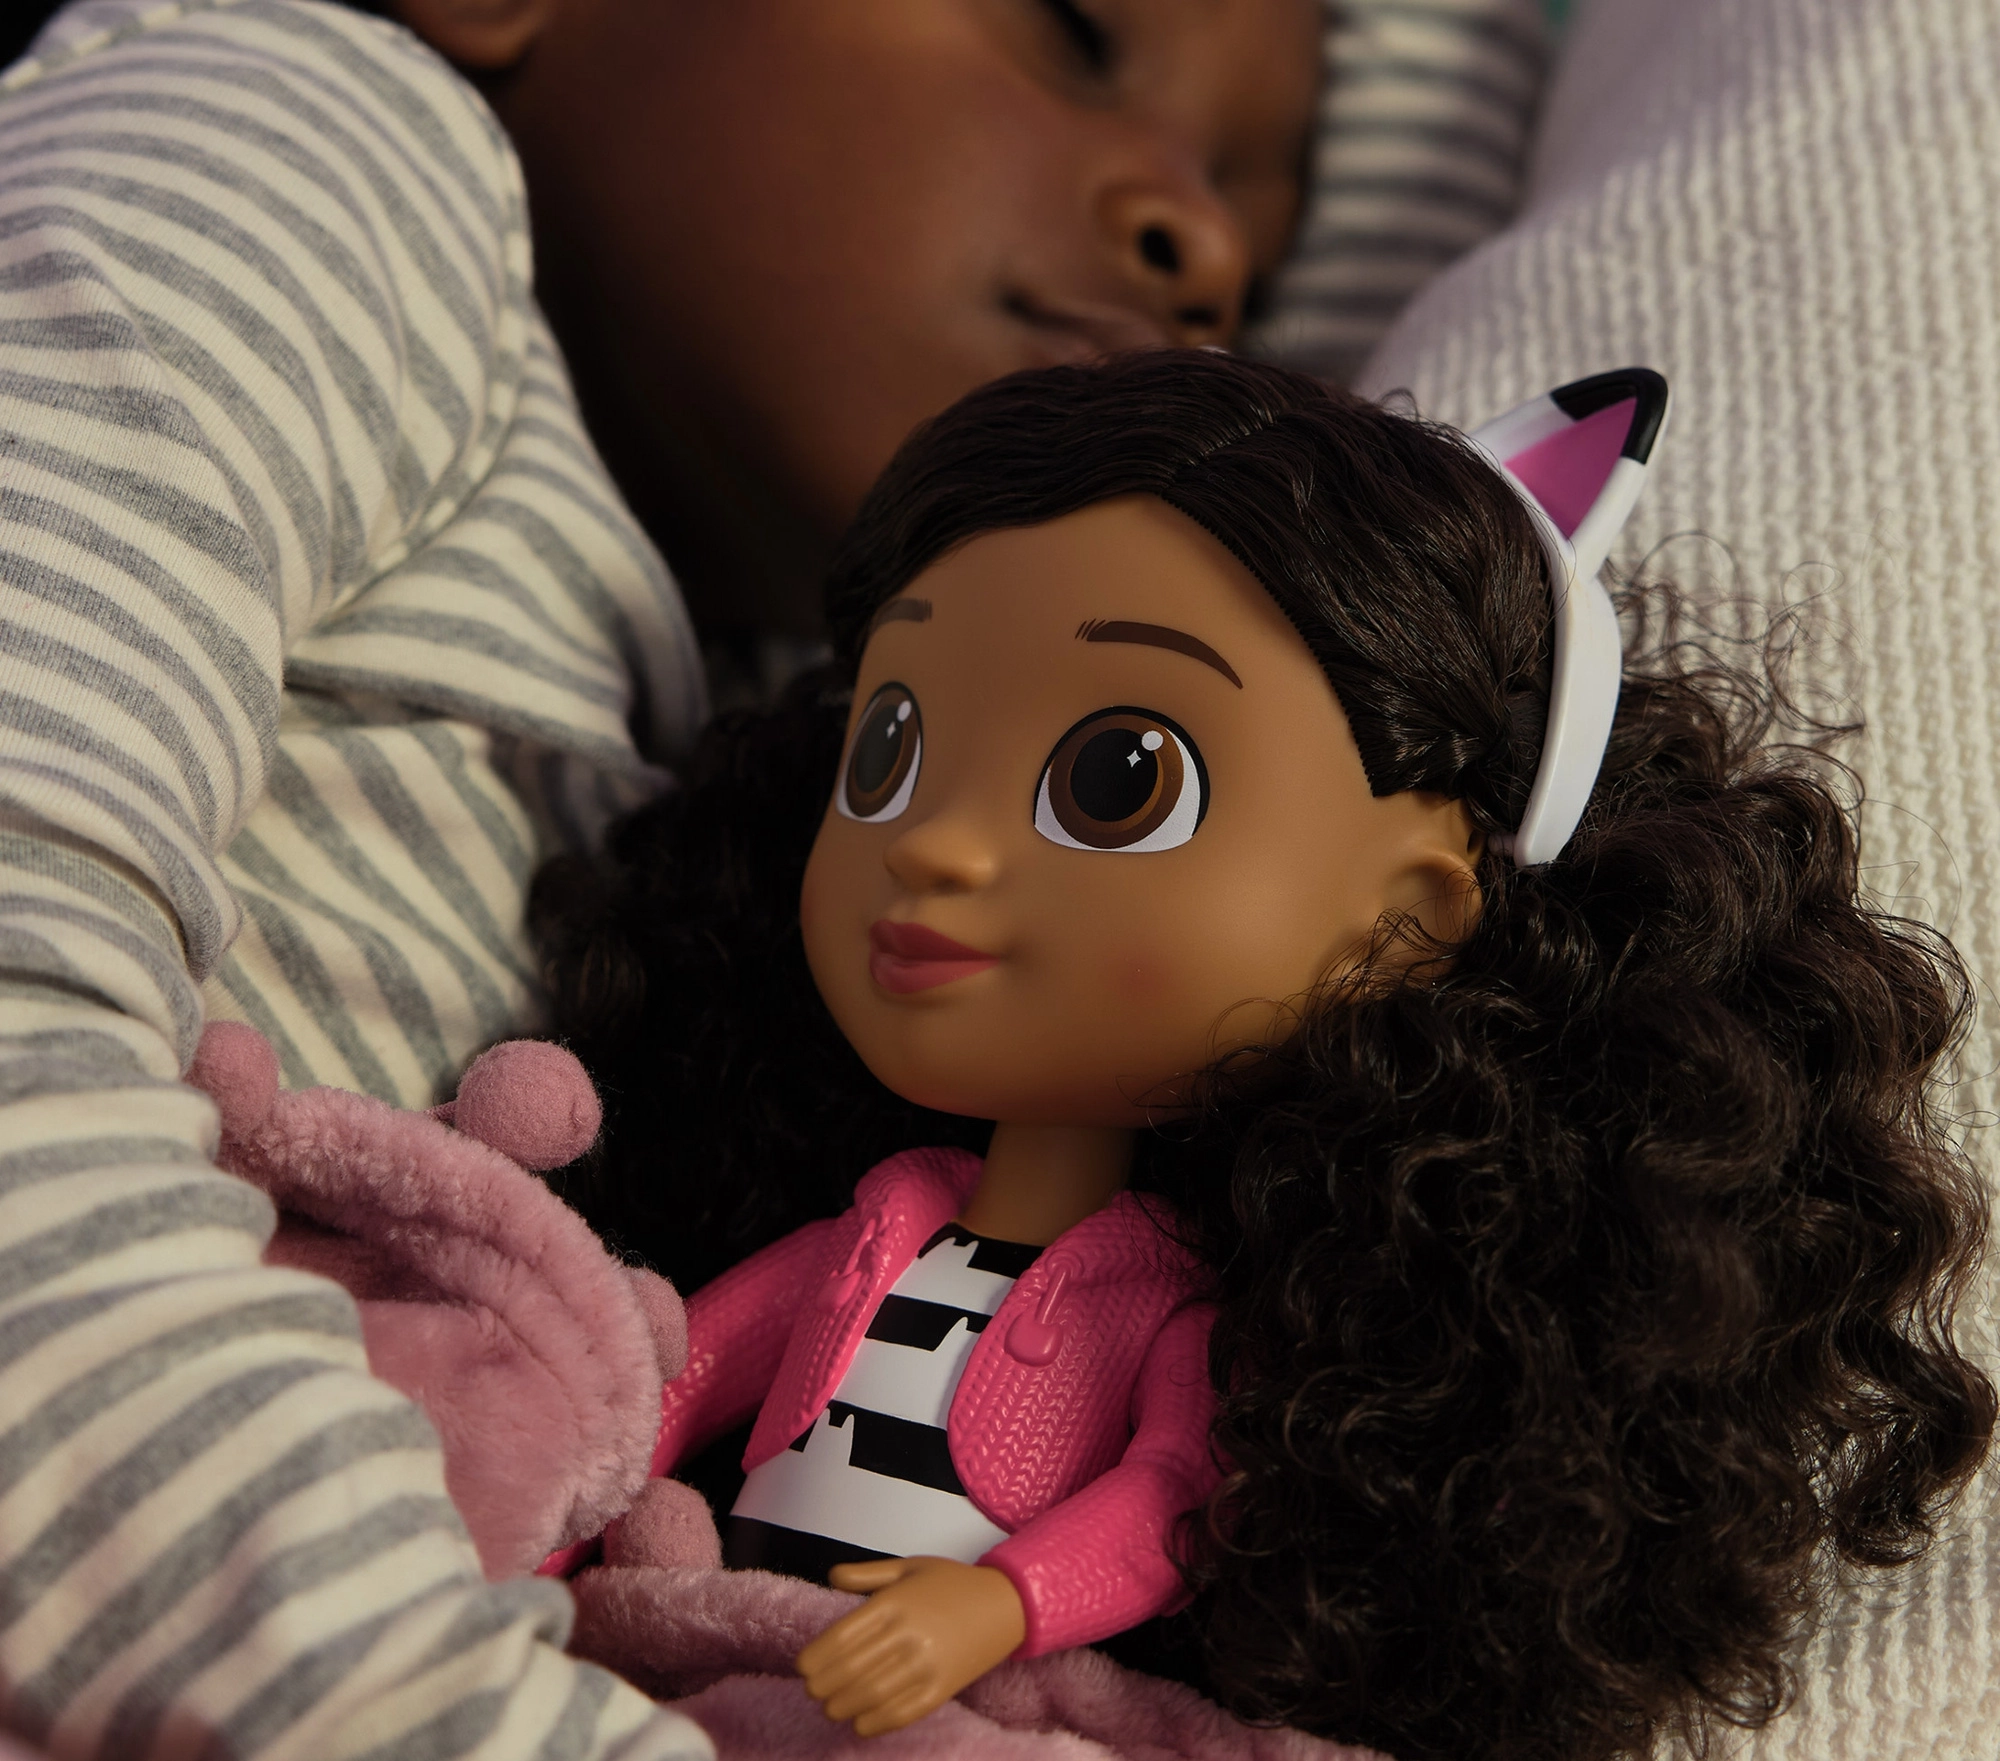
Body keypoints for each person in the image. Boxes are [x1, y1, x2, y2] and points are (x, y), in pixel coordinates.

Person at [0, 3, 1321, 1757]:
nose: (1207, 247)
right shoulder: (309, 141)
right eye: (1077, 34)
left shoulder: (780, 751)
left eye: (1273, 235)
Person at [533, 351, 1995, 1760]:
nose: (935, 847)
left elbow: (1175, 1495)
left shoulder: (1173, 1306)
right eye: (890, 750)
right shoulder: (881, 1213)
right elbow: (671, 1373)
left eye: (1117, 779)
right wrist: (550, 1498)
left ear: (1408, 920)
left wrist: (1000, 1605)